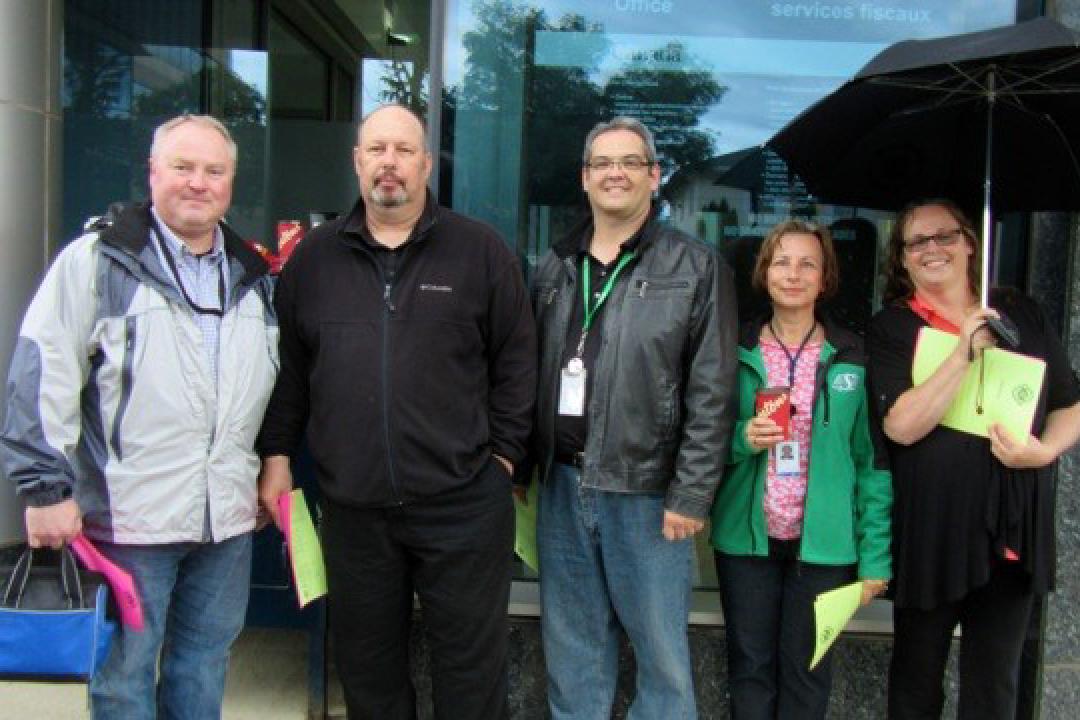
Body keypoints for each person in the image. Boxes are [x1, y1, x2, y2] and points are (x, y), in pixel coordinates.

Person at [255, 104, 536, 720]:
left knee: (470, 674)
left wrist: (504, 461)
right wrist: (276, 455)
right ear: (357, 162)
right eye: (376, 149)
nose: (390, 163)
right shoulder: (316, 259)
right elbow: (293, 371)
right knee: (368, 673)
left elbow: (518, 363)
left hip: (462, 505)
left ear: (426, 164)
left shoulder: (479, 251)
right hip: (355, 512)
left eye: (404, 151)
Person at [0, 115, 277, 719]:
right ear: (153, 173)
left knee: (203, 666)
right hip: (128, 522)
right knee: (124, 675)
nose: (198, 183)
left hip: (225, 522)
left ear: (231, 181)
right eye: (182, 167)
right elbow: (42, 373)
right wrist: (44, 488)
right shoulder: (99, 261)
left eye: (214, 170)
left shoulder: (251, 278)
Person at [530, 116, 737, 719]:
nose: (614, 173)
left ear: (653, 176)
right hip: (562, 486)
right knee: (572, 653)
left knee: (662, 659)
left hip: (649, 495)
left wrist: (693, 492)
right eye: (602, 163)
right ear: (585, 178)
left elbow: (713, 388)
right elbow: (526, 373)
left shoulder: (696, 267)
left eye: (630, 162)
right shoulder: (555, 267)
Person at [867, 199, 1080, 719]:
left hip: (1011, 532)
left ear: (969, 242)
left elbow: (1070, 406)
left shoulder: (1021, 313)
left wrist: (1044, 450)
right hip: (932, 533)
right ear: (903, 258)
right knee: (916, 683)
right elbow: (901, 425)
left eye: (944, 236)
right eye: (917, 242)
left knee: (994, 686)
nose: (931, 249)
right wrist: (963, 351)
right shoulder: (893, 327)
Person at [710, 220, 892, 719]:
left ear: (825, 278)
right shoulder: (732, 350)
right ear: (764, 272)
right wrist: (740, 438)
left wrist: (876, 558)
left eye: (807, 263)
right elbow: (699, 440)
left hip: (826, 544)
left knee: (809, 671)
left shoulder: (852, 355)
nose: (793, 273)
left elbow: (872, 464)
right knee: (748, 668)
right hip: (746, 540)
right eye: (781, 261)